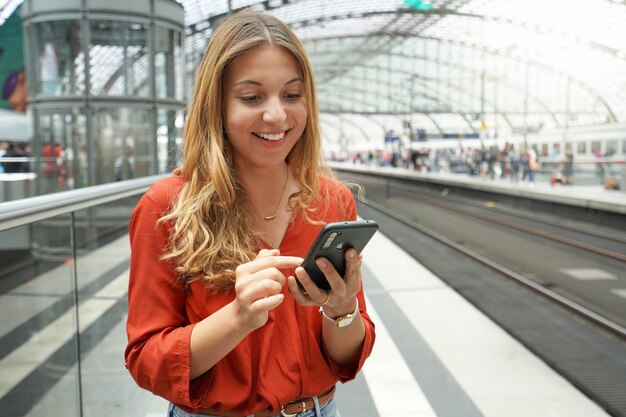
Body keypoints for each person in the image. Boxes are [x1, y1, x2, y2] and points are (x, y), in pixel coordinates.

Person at [124, 9, 376, 417]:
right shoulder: (167, 207)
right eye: (251, 97)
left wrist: (342, 310)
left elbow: (346, 358)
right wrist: (238, 317)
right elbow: (147, 359)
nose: (277, 115)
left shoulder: (331, 201)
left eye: (292, 95)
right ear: (216, 105)